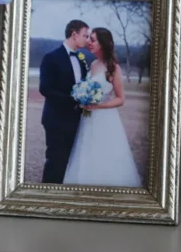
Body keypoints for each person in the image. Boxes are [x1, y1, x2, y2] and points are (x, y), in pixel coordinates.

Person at [64, 27, 142, 187]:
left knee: (105, 154)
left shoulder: (113, 67)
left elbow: (121, 99)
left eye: (93, 40)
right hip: (88, 119)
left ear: (103, 43)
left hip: (106, 119)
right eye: (89, 38)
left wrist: (99, 105)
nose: (89, 42)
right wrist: (82, 98)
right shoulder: (92, 64)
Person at [39, 19, 89, 183]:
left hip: (77, 120)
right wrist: (72, 101)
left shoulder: (81, 58)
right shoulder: (51, 57)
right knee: (55, 161)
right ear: (74, 35)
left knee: (71, 162)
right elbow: (45, 88)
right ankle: (47, 196)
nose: (87, 40)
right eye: (85, 35)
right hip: (56, 119)